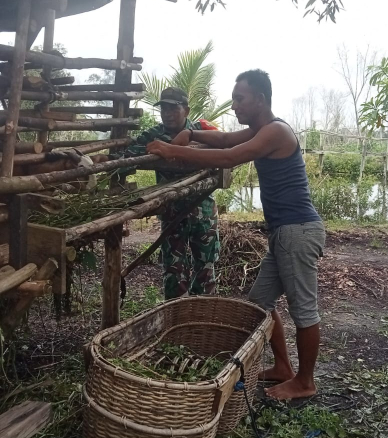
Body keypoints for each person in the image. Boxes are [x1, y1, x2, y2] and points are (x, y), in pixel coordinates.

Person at [146, 69, 325, 401]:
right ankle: (284, 367)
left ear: (260, 99)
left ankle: (305, 382)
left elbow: (229, 156)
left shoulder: (276, 131)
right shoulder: (261, 130)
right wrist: (191, 133)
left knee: (303, 309)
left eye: (239, 99)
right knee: (259, 303)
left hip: (297, 231)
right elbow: (226, 140)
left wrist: (174, 150)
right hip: (284, 233)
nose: (234, 106)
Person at [97, 87, 220, 299]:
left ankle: (203, 313)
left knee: (206, 268)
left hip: (203, 210)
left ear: (186, 110)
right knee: (173, 270)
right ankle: (175, 315)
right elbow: (129, 155)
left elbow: (226, 148)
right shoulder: (153, 135)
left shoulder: (202, 131)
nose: (167, 114)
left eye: (173, 109)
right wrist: (106, 161)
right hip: (172, 212)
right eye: (164, 109)